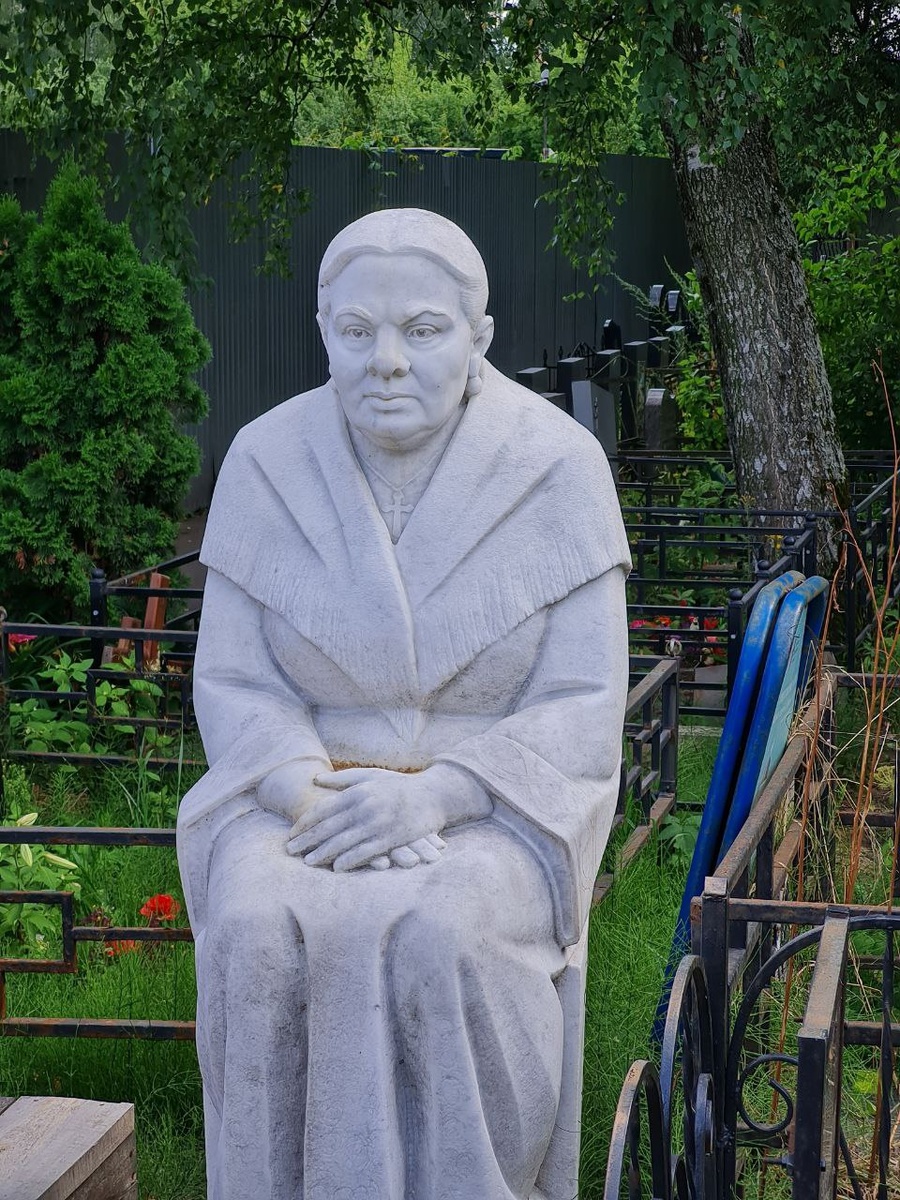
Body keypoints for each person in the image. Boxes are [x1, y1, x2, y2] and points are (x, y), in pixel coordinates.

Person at [176, 209, 631, 1200]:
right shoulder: (264, 461)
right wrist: (307, 794)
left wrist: (435, 796)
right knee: (255, 927)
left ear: (478, 335)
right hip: (300, 794)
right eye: (356, 331)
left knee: (436, 930)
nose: (386, 361)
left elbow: (583, 702)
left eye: (422, 330)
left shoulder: (559, 468)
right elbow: (236, 682)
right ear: (323, 331)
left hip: (490, 806)